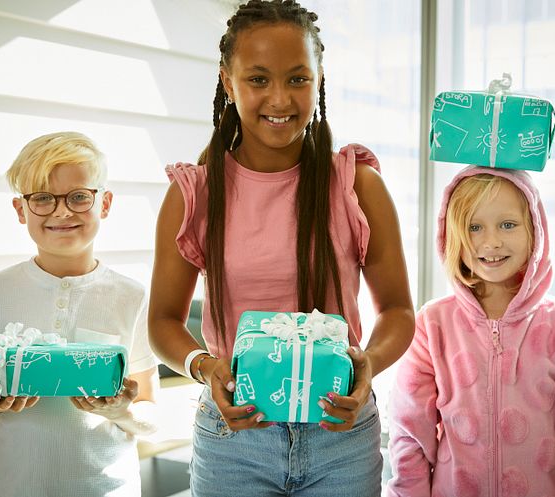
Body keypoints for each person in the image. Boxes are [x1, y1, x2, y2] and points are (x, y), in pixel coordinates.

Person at [147, 1, 415, 495]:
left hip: (341, 437)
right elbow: (163, 322)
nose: (280, 98)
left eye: (297, 79)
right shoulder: (196, 193)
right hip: (235, 439)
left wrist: (368, 363)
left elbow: (398, 310)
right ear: (228, 82)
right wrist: (205, 366)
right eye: (257, 79)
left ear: (319, 79)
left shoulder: (357, 185)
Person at [0, 131, 159, 497]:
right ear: (21, 210)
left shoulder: (131, 295)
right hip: (15, 487)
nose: (62, 211)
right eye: (43, 198)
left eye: (79, 197)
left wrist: (119, 412)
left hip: (108, 488)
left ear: (105, 203)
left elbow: (150, 416)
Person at [387, 167, 555, 496]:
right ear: (453, 235)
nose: (491, 242)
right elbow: (410, 439)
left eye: (508, 224)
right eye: (474, 227)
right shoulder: (432, 326)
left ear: (534, 229)